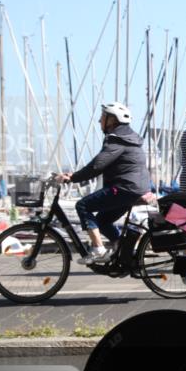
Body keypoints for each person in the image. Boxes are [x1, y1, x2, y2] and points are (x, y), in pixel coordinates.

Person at [56, 102, 151, 263]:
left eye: (102, 117)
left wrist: (73, 178)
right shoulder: (128, 139)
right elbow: (101, 166)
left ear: (112, 120)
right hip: (133, 188)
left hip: (124, 188)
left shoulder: (117, 140)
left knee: (83, 205)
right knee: (102, 221)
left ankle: (98, 249)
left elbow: (97, 165)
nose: (100, 121)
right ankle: (123, 250)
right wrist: (76, 175)